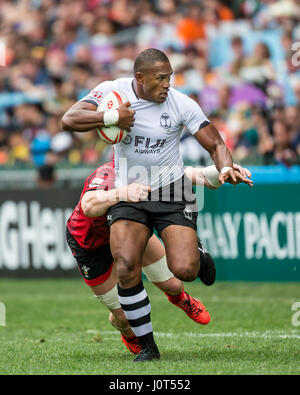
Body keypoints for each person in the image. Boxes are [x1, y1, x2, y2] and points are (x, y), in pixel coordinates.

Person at [61, 48, 244, 362]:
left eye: (170, 77)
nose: (167, 85)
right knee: (127, 265)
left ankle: (197, 254)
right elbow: (69, 120)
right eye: (161, 79)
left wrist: (225, 167)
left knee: (184, 270)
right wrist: (111, 117)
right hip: (130, 191)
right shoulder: (111, 92)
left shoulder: (181, 103)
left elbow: (215, 143)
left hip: (172, 190)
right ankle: (148, 348)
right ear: (140, 78)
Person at [66, 159, 252, 355]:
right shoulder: (107, 173)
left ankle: (181, 298)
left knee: (172, 284)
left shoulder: (144, 167)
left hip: (128, 231)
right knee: (123, 315)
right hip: (90, 245)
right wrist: (122, 193)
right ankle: (129, 335)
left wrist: (222, 171)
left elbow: (186, 174)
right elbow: (88, 205)